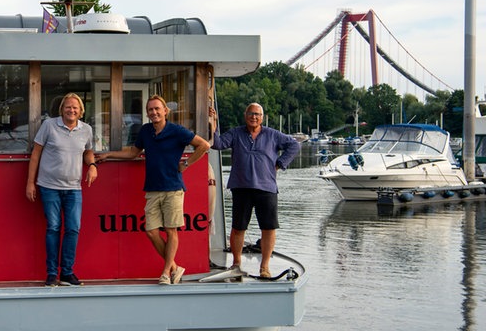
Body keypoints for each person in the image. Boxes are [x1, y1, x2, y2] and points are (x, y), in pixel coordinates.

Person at [96, 95, 210, 285]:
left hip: (173, 188)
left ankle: (166, 272)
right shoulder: (146, 131)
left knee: (171, 230)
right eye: (150, 110)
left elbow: (204, 145)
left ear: (165, 111)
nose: (154, 112)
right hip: (152, 188)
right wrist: (108, 154)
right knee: (151, 231)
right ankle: (174, 267)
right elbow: (133, 153)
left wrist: (187, 164)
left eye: (157, 109)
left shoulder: (177, 131)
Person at [209, 102, 299, 278]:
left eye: (257, 114)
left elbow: (294, 145)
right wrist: (214, 123)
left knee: (268, 228)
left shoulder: (272, 135)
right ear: (245, 115)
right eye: (251, 113)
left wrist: (281, 164)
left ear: (262, 117)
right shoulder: (236, 133)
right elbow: (217, 144)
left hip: (267, 188)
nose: (254, 117)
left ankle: (264, 267)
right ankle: (236, 264)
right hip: (241, 187)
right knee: (238, 227)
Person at [26, 93, 98, 287]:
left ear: (81, 111)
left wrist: (92, 165)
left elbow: (88, 151)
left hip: (74, 188)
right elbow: (36, 153)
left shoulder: (86, 130)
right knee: (54, 228)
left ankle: (67, 272)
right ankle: (51, 274)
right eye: (68, 107)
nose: (71, 110)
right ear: (62, 109)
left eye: (75, 107)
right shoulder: (49, 125)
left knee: (73, 228)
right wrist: (30, 182)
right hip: (49, 187)